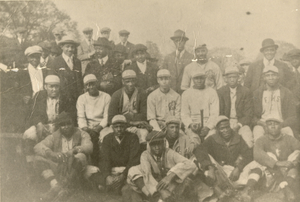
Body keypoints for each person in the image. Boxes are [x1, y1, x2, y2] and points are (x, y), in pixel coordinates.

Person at [34, 112, 97, 201]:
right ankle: (55, 186)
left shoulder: (81, 133)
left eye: (68, 123)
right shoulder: (55, 135)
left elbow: (89, 147)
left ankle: (63, 187)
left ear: (73, 124)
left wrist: (74, 150)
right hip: (60, 167)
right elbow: (38, 147)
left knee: (81, 156)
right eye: (63, 125)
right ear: (59, 126)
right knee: (38, 158)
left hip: (77, 168)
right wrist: (51, 153)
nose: (66, 126)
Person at [193, 116, 259, 202]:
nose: (225, 130)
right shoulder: (212, 139)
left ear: (230, 126)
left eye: (227, 127)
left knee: (257, 163)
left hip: (235, 174)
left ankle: (245, 192)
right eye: (222, 128)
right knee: (198, 160)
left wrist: (238, 168)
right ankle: (220, 193)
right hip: (220, 174)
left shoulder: (237, 137)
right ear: (217, 129)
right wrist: (210, 167)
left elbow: (248, 154)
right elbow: (199, 150)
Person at [125, 130, 197, 202]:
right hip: (152, 185)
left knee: (187, 176)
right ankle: (155, 197)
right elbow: (147, 174)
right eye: (153, 145)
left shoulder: (169, 152)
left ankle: (162, 198)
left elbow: (191, 164)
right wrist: (160, 191)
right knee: (133, 170)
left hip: (169, 183)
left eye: (159, 144)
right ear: (149, 145)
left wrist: (169, 176)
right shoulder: (145, 155)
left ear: (163, 143)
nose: (157, 147)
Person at [23, 75, 75, 173]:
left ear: (60, 87)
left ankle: (53, 169)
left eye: (56, 86)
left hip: (58, 126)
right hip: (42, 125)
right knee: (28, 134)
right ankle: (29, 166)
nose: (54, 89)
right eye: (51, 86)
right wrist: (39, 123)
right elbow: (33, 113)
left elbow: (69, 114)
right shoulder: (39, 96)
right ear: (45, 86)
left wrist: (57, 123)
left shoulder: (65, 97)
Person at [254, 117, 300, 201]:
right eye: (269, 124)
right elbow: (257, 154)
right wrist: (277, 163)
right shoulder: (261, 140)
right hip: (273, 172)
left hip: (288, 170)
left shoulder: (288, 138)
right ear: (266, 128)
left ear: (281, 126)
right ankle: (285, 187)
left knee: (297, 153)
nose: (273, 126)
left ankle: (286, 185)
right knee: (268, 155)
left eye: (276, 124)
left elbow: (298, 148)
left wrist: (294, 162)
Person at [107, 70, 152, 146]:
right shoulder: (116, 95)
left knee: (144, 134)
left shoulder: (141, 93)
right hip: (120, 126)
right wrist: (132, 122)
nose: (130, 84)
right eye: (127, 81)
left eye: (133, 81)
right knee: (108, 135)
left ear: (136, 81)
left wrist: (125, 117)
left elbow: (144, 115)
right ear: (123, 82)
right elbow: (111, 118)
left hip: (138, 126)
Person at [252, 65, 296, 142]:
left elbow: (292, 116)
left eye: (273, 75)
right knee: (258, 137)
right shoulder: (257, 93)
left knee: (290, 139)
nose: (271, 78)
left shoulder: (286, 93)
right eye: (268, 75)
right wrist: (261, 123)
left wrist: (281, 125)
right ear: (264, 78)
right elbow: (252, 116)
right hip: (263, 124)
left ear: (278, 77)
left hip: (282, 124)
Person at [99, 115, 140, 194]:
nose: (119, 129)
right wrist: (108, 176)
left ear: (126, 127)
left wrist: (123, 176)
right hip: (112, 171)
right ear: (112, 128)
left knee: (132, 178)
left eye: (121, 127)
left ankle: (119, 186)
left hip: (127, 171)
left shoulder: (133, 137)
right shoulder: (107, 138)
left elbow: (134, 159)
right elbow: (104, 159)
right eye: (116, 127)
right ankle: (114, 185)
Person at [77, 74, 111, 166]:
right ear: (85, 87)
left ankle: (104, 163)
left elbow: (107, 116)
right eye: (88, 85)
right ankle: (88, 164)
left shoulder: (106, 97)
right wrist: (86, 129)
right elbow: (81, 117)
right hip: (87, 126)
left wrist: (98, 128)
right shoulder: (82, 98)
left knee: (105, 138)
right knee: (84, 140)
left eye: (92, 84)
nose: (90, 87)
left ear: (97, 84)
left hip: (102, 126)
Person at [217, 65, 254, 148]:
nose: (232, 79)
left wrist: (239, 125)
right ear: (226, 79)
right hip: (225, 122)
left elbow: (248, 114)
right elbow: (220, 112)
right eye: (230, 77)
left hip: (241, 123)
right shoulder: (220, 92)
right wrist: (225, 125)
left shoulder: (246, 91)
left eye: (234, 77)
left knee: (248, 140)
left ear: (239, 78)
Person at [49, 35, 83, 116]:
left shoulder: (77, 62)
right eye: (67, 47)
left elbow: (79, 80)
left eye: (72, 47)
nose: (70, 49)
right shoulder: (56, 61)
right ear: (62, 47)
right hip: (61, 98)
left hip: (76, 98)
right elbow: (52, 80)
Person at [181, 69, 219, 141]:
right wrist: (191, 124)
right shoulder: (186, 94)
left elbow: (215, 114)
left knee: (211, 140)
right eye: (196, 78)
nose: (199, 81)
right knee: (194, 140)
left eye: (201, 78)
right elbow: (184, 114)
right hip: (193, 125)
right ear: (192, 79)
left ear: (205, 78)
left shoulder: (212, 92)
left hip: (208, 124)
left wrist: (208, 127)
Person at [162, 29, 194, 94]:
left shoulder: (191, 57)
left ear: (185, 42)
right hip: (170, 91)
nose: (179, 43)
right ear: (174, 42)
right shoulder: (168, 57)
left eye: (181, 40)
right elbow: (163, 76)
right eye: (177, 41)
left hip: (186, 91)